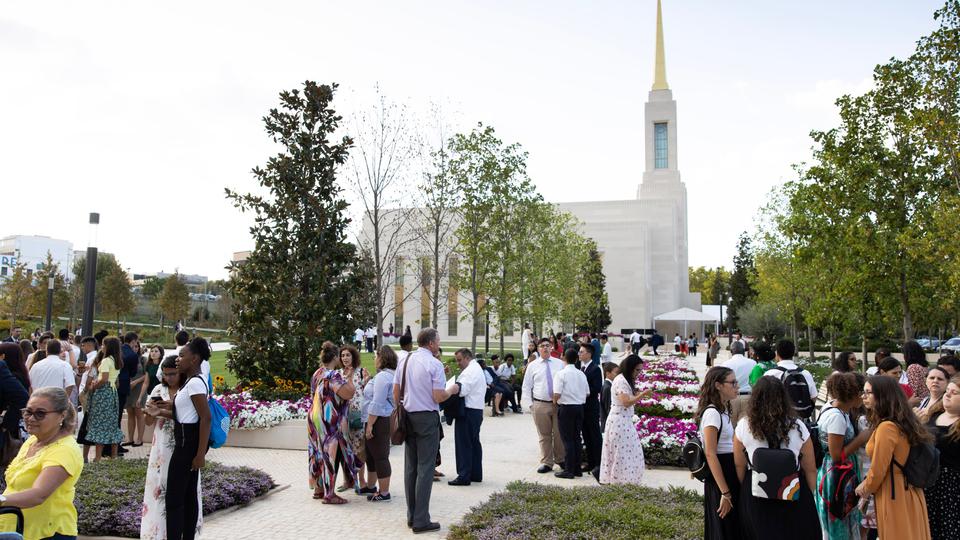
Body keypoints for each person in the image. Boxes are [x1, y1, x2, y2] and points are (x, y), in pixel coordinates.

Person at [733, 377, 822, 539]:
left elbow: (739, 466)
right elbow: (810, 468)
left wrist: (745, 489)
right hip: (792, 491)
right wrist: (807, 495)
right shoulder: (798, 426)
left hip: (756, 491)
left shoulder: (744, 426)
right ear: (784, 397)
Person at [854, 376, 933, 540]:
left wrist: (866, 488)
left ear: (883, 396)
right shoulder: (898, 422)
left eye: (869, 393)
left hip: (894, 491)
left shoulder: (886, 427)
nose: (863, 396)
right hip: (905, 489)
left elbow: (878, 469)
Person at [0, 387, 82, 540]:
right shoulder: (34, 440)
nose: (31, 418)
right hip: (18, 528)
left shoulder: (65, 450)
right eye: (28, 412)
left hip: (47, 533)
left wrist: (2, 500)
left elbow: (39, 494)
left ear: (61, 416)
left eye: (40, 414)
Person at [393, 328, 451, 533]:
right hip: (426, 418)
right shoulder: (434, 364)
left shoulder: (405, 360)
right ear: (432, 344)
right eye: (438, 341)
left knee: (411, 468)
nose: (439, 345)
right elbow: (438, 396)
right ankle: (421, 520)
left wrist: (400, 408)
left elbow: (396, 391)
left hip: (408, 416)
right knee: (426, 469)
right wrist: (451, 390)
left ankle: (412, 516)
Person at [142, 356, 202, 539]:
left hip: (183, 444)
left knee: (183, 492)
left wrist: (163, 412)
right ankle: (158, 532)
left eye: (173, 374)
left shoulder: (187, 390)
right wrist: (151, 411)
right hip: (161, 447)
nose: (169, 378)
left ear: (180, 372)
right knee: (160, 486)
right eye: (166, 374)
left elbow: (189, 417)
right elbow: (148, 421)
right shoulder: (158, 389)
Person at [158, 338, 212, 540]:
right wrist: (164, 408)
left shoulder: (196, 382)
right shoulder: (190, 382)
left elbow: (205, 418)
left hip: (187, 445)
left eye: (182, 356)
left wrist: (200, 455)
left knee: (175, 499)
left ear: (195, 359)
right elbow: (185, 414)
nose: (178, 360)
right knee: (187, 497)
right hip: (185, 442)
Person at [815, 372, 870, 539]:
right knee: (839, 521)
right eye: (863, 393)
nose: (864, 397)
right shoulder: (836, 417)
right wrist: (861, 439)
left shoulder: (834, 408)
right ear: (853, 395)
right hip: (836, 476)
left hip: (835, 473)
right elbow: (837, 456)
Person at [307, 342, 358, 504]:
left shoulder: (317, 373)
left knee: (317, 452)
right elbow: (348, 394)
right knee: (331, 454)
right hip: (330, 421)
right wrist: (349, 378)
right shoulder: (333, 375)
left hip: (315, 417)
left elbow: (313, 394)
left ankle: (319, 489)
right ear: (335, 357)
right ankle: (330, 494)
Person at [696, 366, 741, 539]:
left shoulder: (722, 410)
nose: (737, 386)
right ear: (718, 385)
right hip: (721, 476)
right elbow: (710, 454)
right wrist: (725, 493)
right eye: (732, 382)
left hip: (727, 472)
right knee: (723, 530)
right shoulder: (712, 413)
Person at [598, 355, 649, 484]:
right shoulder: (620, 380)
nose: (638, 373)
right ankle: (619, 482)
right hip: (619, 422)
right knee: (621, 454)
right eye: (637, 370)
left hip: (624, 421)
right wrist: (642, 395)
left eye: (640, 370)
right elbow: (626, 402)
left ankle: (627, 481)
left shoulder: (625, 380)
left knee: (629, 453)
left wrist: (637, 394)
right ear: (630, 368)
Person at [521, 339, 566, 474]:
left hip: (558, 404)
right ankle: (547, 462)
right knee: (544, 435)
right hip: (540, 404)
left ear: (551, 347)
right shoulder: (532, 365)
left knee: (559, 434)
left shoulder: (559, 364)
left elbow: (566, 382)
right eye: (542, 346)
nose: (545, 348)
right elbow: (526, 386)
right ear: (538, 349)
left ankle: (561, 459)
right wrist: (530, 405)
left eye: (548, 345)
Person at [923, 374, 959, 540]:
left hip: (952, 485)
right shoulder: (931, 416)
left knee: (949, 529)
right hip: (927, 481)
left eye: (955, 392)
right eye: (948, 390)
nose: (948, 394)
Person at [361, 346, 396, 502]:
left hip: (378, 420)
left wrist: (370, 425)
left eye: (376, 356)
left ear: (382, 358)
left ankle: (384, 492)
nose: (374, 359)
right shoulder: (386, 376)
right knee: (372, 456)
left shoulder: (383, 377)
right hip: (378, 418)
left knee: (380, 457)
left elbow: (377, 403)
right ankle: (371, 486)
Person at [447, 348, 485, 486]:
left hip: (468, 411)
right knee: (474, 443)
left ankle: (464, 476)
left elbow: (462, 390)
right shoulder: (475, 368)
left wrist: (448, 390)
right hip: (476, 411)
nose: (458, 363)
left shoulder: (470, 371)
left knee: (464, 444)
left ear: (467, 358)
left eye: (459, 360)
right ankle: (475, 473)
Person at [84, 337, 124, 461]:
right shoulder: (116, 361)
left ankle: (97, 457)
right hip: (112, 393)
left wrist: (93, 386)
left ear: (108, 347)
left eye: (103, 345)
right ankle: (113, 455)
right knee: (112, 424)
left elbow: (104, 378)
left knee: (99, 424)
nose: (101, 347)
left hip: (103, 394)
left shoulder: (106, 360)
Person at [552, 348, 588, 479]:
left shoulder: (561, 374)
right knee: (576, 438)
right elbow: (587, 392)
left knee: (567, 440)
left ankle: (569, 470)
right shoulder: (581, 374)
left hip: (566, 408)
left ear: (563, 358)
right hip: (579, 408)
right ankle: (577, 468)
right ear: (577, 359)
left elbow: (557, 393)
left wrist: (555, 402)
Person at [337, 345, 368, 493]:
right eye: (342, 356)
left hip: (358, 416)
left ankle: (362, 481)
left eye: (348, 355)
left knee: (359, 449)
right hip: (342, 417)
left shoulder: (361, 372)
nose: (345, 358)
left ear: (353, 356)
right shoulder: (337, 374)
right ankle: (347, 481)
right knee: (344, 449)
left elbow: (367, 393)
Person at [763, 339, 817, 420]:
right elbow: (813, 397)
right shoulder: (805, 373)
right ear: (793, 353)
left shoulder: (770, 374)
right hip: (801, 422)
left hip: (778, 422)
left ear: (777, 354)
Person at [577, 343, 603, 476]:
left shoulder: (595, 369)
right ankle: (590, 462)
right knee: (586, 435)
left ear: (589, 354)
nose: (579, 354)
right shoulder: (579, 368)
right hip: (581, 407)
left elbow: (597, 388)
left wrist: (582, 392)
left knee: (594, 436)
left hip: (591, 408)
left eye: (581, 352)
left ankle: (599, 463)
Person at [722, 341, 755, 426]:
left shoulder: (725, 364)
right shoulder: (753, 363)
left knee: (731, 427)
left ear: (731, 351)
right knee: (746, 429)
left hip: (731, 398)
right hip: (749, 397)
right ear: (744, 351)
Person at [123, 340, 147, 447]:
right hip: (129, 389)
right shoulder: (126, 358)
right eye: (133, 346)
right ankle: (130, 438)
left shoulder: (143, 359)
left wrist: (136, 382)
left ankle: (140, 439)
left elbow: (147, 375)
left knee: (139, 413)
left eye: (137, 346)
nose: (135, 348)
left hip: (139, 388)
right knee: (130, 413)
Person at [903, 340, 929, 404]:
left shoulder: (913, 367)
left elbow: (912, 389)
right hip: (926, 399)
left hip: (917, 402)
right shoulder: (924, 367)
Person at [600, 362, 618, 433]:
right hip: (608, 424)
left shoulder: (609, 385)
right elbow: (608, 408)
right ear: (607, 373)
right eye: (616, 372)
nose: (618, 375)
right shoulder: (608, 387)